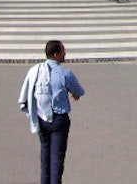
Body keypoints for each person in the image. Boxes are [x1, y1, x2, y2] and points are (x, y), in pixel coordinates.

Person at [18, 40, 85, 184]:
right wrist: (74, 94)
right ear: (56, 54)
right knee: (57, 160)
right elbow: (79, 91)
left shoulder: (35, 71)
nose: (65, 53)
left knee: (45, 156)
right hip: (59, 120)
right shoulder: (65, 74)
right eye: (62, 51)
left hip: (41, 119)